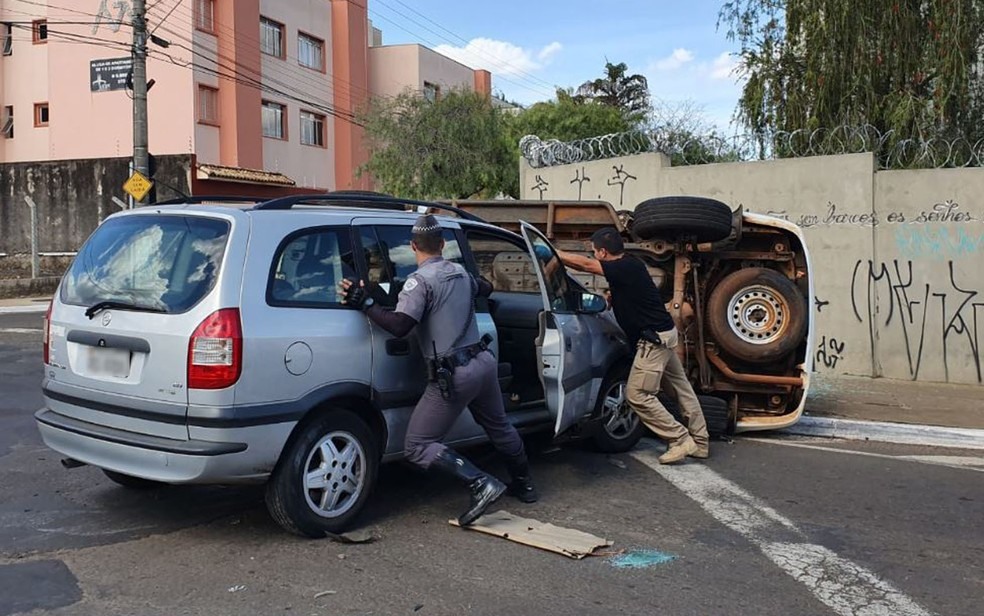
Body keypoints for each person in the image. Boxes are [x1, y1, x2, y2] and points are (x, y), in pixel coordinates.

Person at [339, 215, 537, 525]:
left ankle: (480, 483)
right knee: (499, 426)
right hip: (483, 363)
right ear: (443, 244)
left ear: (413, 246)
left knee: (417, 446)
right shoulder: (459, 272)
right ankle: (524, 485)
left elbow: (400, 325)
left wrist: (364, 303)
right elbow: (484, 287)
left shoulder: (419, 282)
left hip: (455, 373)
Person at [555, 227, 709, 464]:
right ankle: (700, 442)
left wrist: (554, 252)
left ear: (603, 253)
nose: (594, 255)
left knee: (637, 394)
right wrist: (612, 297)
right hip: (664, 334)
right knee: (681, 390)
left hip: (653, 341)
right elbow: (625, 289)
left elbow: (585, 266)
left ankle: (680, 439)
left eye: (595, 252)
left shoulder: (623, 268)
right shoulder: (630, 264)